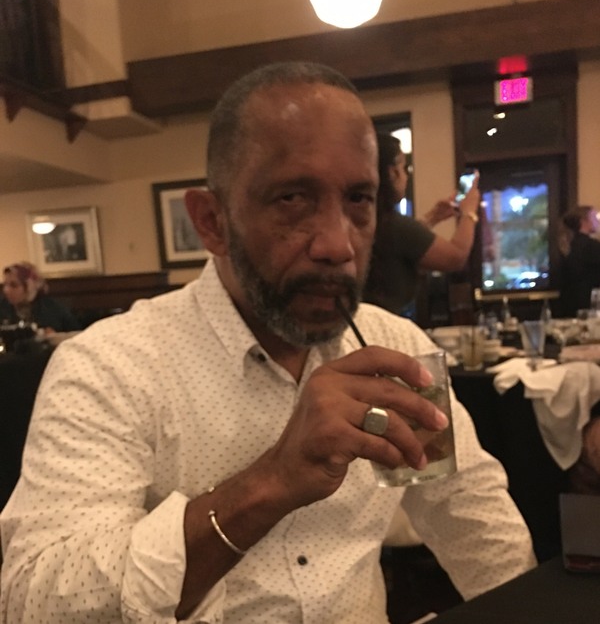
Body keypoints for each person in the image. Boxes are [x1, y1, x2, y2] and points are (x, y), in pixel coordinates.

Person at [0, 62, 535, 623]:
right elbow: (36, 602)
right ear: (212, 221)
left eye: (359, 199)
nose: (338, 246)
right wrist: (270, 482)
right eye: (292, 198)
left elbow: (472, 519)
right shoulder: (110, 365)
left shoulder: (393, 344)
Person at [363, 132, 481, 316]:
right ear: (392, 173)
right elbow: (456, 258)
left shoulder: (371, 218)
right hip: (390, 323)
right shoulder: (394, 223)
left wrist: (433, 217)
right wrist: (469, 212)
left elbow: (407, 244)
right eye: (404, 168)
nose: (406, 176)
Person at [0, 262, 80, 333]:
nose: (6, 290)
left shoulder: (53, 310)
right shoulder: (2, 307)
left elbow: (75, 336)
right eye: (5, 285)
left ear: (31, 285)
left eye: (14, 285)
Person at [557, 205, 600, 317]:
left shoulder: (570, 245)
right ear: (584, 221)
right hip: (590, 307)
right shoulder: (592, 247)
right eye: (595, 217)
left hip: (570, 306)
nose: (598, 221)